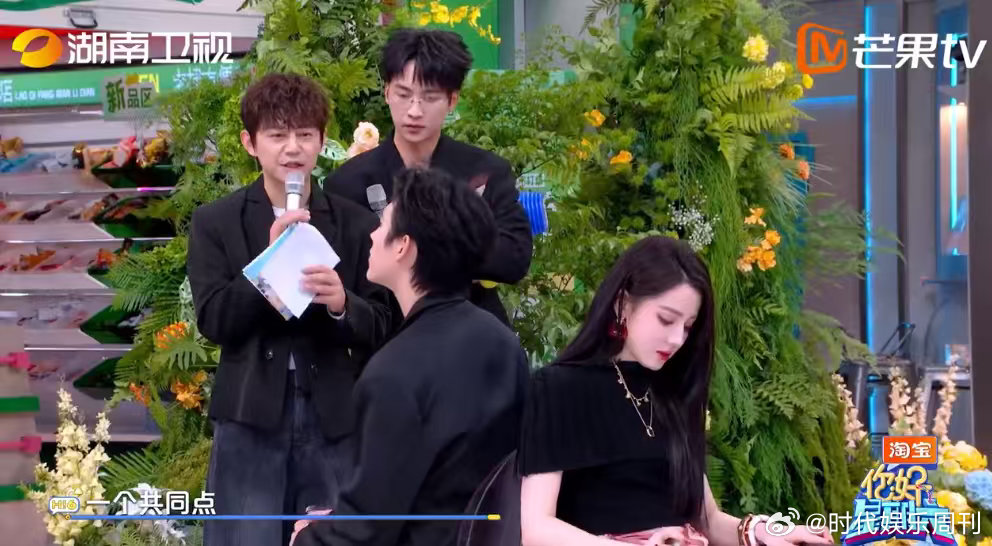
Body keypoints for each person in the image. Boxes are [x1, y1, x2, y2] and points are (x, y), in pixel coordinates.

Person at [187, 73, 394, 546]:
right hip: (249, 412)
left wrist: (342, 304)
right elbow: (214, 319)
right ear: (250, 143)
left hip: (334, 414)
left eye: (304, 134)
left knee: (334, 538)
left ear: (322, 140)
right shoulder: (217, 221)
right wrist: (271, 268)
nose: (292, 148)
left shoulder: (354, 222)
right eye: (277, 135)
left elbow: (384, 321)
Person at [517, 236, 833, 546]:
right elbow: (537, 528)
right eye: (666, 319)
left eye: (688, 326)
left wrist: (768, 532)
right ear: (622, 304)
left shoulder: (674, 393)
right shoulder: (561, 388)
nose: (676, 339)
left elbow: (709, 520)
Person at [292, 167, 529, 546]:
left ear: (403, 245)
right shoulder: (501, 342)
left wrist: (310, 537)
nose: (372, 235)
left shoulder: (393, 371)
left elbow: (369, 529)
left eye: (382, 224)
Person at [325, 28, 532, 326]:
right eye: (403, 94)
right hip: (386, 338)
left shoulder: (485, 170)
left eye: (430, 97)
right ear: (387, 92)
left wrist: (423, 243)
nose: (414, 110)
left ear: (452, 100)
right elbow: (347, 273)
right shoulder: (349, 181)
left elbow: (514, 257)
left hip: (471, 332)